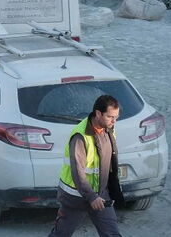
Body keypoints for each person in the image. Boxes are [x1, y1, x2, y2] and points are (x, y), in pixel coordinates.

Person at [48, 94, 125, 237]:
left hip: (100, 194)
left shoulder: (108, 128)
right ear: (98, 113)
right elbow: (78, 172)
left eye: (116, 117)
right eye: (110, 117)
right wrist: (91, 197)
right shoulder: (80, 137)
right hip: (75, 197)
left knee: (112, 233)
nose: (114, 121)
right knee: (61, 234)